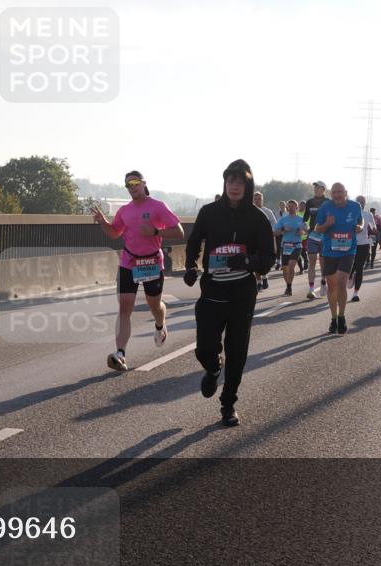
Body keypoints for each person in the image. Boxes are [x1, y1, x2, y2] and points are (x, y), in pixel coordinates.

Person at [184, 159, 276, 426]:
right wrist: (190, 266)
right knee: (204, 349)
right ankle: (213, 369)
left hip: (242, 294)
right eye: (230, 181)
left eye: (240, 182)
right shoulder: (209, 212)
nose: (234, 186)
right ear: (224, 184)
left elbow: (269, 257)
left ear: (248, 186)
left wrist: (248, 262)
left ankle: (228, 404)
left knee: (237, 353)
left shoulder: (257, 218)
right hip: (212, 290)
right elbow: (193, 241)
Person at [92, 171, 184, 372]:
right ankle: (120, 354)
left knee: (154, 306)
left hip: (152, 262)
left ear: (143, 183)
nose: (132, 187)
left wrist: (156, 231)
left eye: (135, 183)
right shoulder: (124, 211)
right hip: (129, 262)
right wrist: (103, 222)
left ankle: (160, 325)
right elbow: (115, 233)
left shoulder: (158, 207)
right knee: (125, 308)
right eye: (128, 185)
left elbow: (179, 232)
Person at [313, 182, 364, 334]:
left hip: (348, 250)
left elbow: (360, 222)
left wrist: (359, 227)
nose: (336, 195)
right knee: (332, 286)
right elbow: (317, 228)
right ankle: (333, 318)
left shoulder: (355, 207)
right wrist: (327, 224)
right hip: (329, 251)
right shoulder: (325, 207)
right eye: (334, 192)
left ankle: (341, 317)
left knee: (341, 283)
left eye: (339, 192)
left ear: (345, 192)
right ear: (331, 194)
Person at [274, 199, 306, 296]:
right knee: (285, 268)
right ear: (287, 208)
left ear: (296, 208)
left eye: (293, 206)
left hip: (297, 245)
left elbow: (307, 231)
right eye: (289, 206)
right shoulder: (283, 219)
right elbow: (275, 233)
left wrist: (302, 232)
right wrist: (283, 229)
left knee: (291, 265)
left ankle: (289, 287)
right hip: (285, 245)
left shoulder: (301, 219)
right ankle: (288, 286)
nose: (291, 208)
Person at [303, 181, 329, 299]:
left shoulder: (328, 202)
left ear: (323, 189)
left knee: (323, 263)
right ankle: (311, 289)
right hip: (312, 236)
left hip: (324, 236)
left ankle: (323, 281)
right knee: (312, 261)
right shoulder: (310, 202)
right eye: (315, 187)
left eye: (318, 187)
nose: (315, 189)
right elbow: (305, 219)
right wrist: (306, 228)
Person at [347, 195, 375, 302]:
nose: (361, 203)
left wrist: (375, 229)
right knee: (350, 266)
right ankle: (350, 275)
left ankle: (356, 293)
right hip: (349, 243)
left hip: (364, 244)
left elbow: (373, 227)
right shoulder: (349, 213)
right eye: (359, 201)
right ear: (355, 202)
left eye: (363, 202)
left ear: (365, 203)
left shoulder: (368, 214)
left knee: (359, 268)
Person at [253, 190, 278, 291]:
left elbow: (275, 224)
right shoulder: (249, 212)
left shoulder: (267, 211)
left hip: (265, 241)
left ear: (262, 200)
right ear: (253, 200)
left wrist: (268, 232)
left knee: (264, 261)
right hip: (253, 241)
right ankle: (258, 282)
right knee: (254, 261)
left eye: (259, 199)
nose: (257, 201)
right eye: (255, 199)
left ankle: (264, 277)